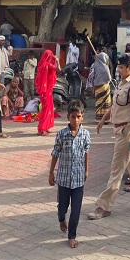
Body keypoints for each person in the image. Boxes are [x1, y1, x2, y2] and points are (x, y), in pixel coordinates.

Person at [88, 53, 130, 220]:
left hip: (128, 133)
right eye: (118, 67)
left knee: (116, 170)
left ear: (129, 68)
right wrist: (103, 119)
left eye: (121, 67)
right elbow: (115, 105)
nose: (118, 70)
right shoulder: (122, 84)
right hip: (119, 130)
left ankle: (104, 206)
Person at [49, 99, 90, 249]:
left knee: (76, 208)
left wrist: (86, 170)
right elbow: (55, 154)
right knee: (63, 206)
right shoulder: (62, 135)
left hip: (78, 179)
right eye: (73, 117)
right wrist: (51, 173)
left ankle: (72, 235)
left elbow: (86, 152)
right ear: (68, 117)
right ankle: (61, 218)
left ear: (82, 117)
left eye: (78, 117)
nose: (76, 120)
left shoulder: (85, 134)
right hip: (64, 179)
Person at [36, 50, 60, 136]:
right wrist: (57, 61)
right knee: (46, 109)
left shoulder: (42, 65)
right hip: (46, 91)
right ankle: (42, 129)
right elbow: (58, 69)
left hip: (45, 90)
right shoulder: (47, 65)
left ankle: (46, 127)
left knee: (49, 108)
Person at [86, 52, 112, 122]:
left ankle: (99, 119)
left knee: (99, 102)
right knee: (106, 102)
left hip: (97, 86)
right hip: (105, 87)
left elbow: (91, 76)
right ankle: (106, 119)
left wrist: (91, 86)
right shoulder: (105, 67)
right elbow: (109, 78)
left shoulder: (94, 65)